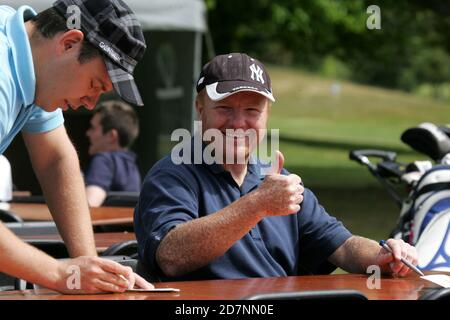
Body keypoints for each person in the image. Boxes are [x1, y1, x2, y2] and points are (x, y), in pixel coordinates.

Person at [134, 53, 419, 281]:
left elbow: (342, 246)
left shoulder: (277, 180)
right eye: (224, 109)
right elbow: (171, 256)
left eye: (251, 111)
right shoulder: (172, 175)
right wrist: (257, 204)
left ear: (267, 115)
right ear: (199, 108)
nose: (238, 123)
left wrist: (382, 255)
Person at [0, 0, 153, 293]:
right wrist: (61, 274)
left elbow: (56, 160)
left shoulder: (34, 61)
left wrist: (90, 266)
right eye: (95, 84)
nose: (91, 103)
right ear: (69, 43)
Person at [85, 100, 141, 207]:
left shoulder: (103, 160)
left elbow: (90, 204)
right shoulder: (131, 164)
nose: (87, 133)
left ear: (111, 135)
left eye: (93, 128)